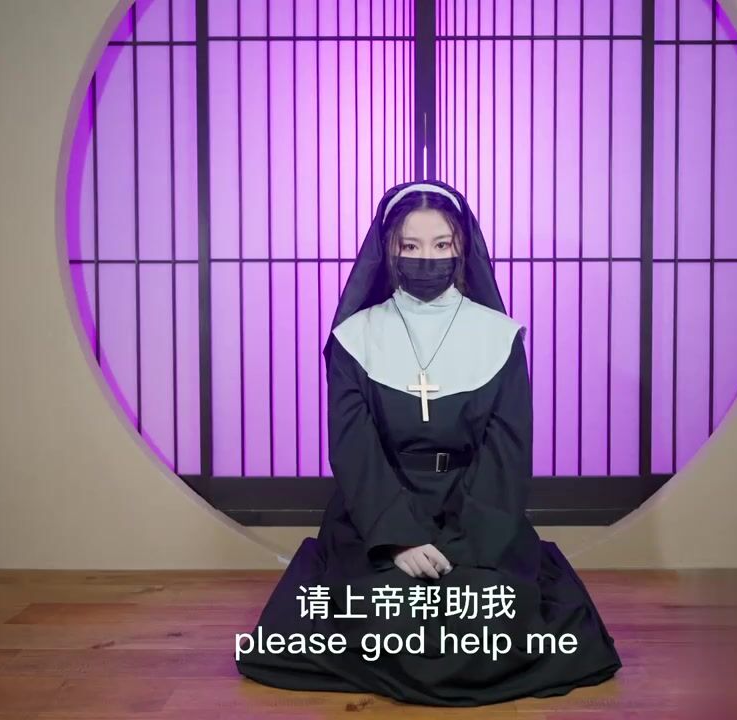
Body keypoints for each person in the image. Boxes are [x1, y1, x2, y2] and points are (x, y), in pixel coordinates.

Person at [236, 180, 622, 706]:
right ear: (389, 250)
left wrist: (466, 543)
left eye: (441, 244)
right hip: (379, 509)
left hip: (476, 509)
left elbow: (507, 450)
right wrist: (398, 538)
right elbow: (353, 448)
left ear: (462, 248)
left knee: (491, 607)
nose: (427, 258)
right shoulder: (356, 336)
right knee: (384, 607)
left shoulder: (498, 335)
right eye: (410, 245)